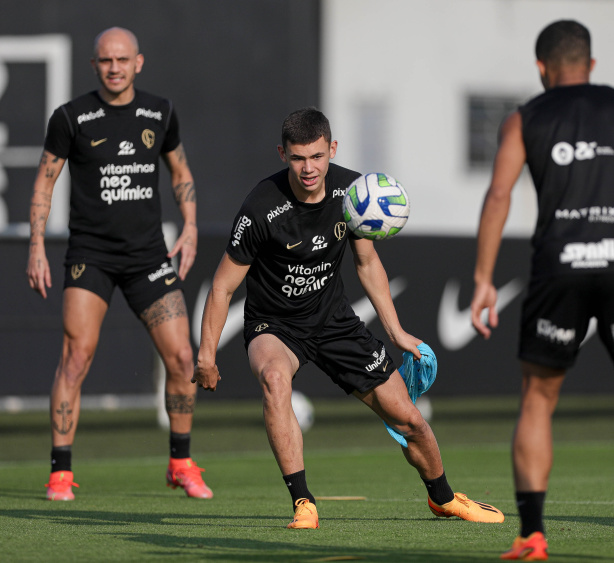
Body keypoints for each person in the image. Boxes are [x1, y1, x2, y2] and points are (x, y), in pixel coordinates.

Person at [192, 106, 504, 528]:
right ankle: (304, 502)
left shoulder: (353, 192)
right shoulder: (260, 209)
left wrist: (395, 331)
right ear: (282, 154)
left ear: (332, 149)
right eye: (299, 158)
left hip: (334, 321)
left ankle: (444, 498)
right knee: (274, 380)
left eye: (317, 157)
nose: (308, 168)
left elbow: (367, 263)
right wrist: (206, 356)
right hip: (275, 326)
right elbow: (222, 287)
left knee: (410, 420)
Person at [26, 27, 212, 501]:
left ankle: (181, 463)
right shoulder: (71, 117)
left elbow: (181, 173)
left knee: (183, 358)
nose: (114, 67)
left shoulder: (160, 111)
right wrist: (35, 246)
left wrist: (189, 227)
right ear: (94, 66)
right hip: (91, 255)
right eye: (105, 60)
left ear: (138, 62)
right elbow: (45, 183)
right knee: (76, 358)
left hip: (148, 256)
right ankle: (60, 473)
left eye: (122, 60)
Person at [470, 20, 614, 561]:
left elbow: (499, 194)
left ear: (541, 67)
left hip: (560, 267)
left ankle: (532, 536)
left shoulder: (525, 117)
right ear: (592, 65)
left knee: (538, 399)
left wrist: (483, 279)